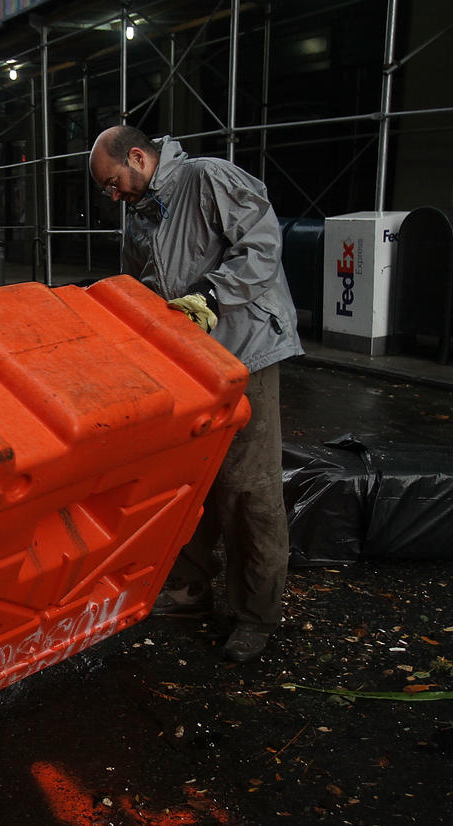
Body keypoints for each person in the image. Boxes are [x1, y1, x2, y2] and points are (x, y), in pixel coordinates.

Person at [88, 124, 303, 663]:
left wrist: (211, 294)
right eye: (107, 190)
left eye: (114, 182)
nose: (113, 196)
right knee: (190, 478)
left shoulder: (208, 178)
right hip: (188, 364)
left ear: (138, 156)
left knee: (248, 486)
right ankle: (190, 588)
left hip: (244, 352)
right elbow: (138, 289)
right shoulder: (140, 211)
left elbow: (262, 243)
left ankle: (257, 614)